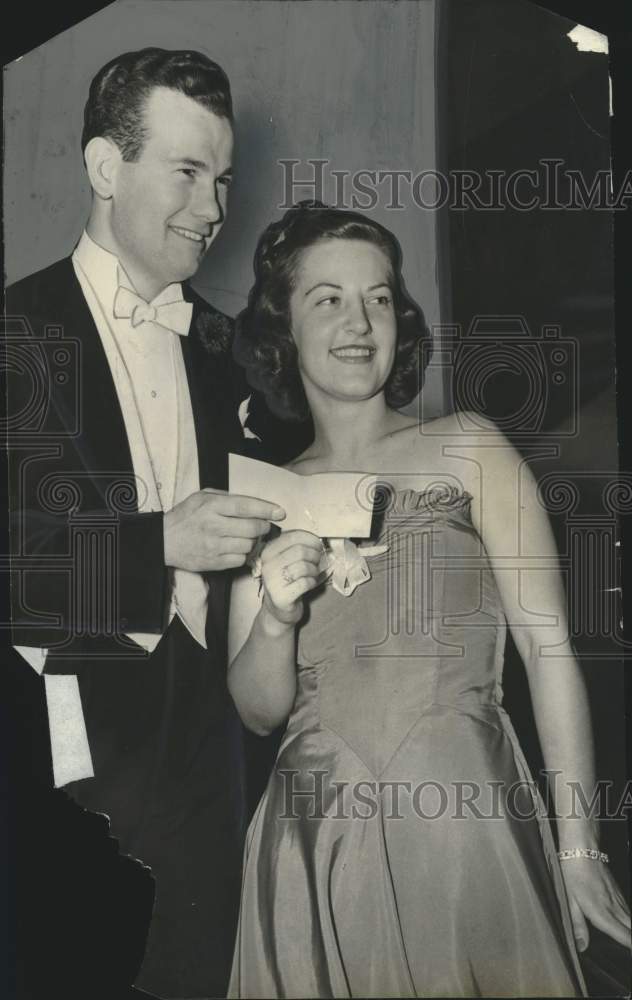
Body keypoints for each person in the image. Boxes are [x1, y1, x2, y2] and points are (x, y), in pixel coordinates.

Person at [226, 202, 631, 998]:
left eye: (379, 297)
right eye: (327, 299)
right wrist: (275, 614)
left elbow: (547, 653)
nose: (359, 320)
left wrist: (581, 849)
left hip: (465, 821)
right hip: (315, 836)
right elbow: (257, 709)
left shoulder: (470, 446)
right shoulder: (264, 496)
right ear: (284, 332)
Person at [5, 48, 307, 1000]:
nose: (214, 209)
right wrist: (159, 545)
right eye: (187, 172)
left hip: (213, 752)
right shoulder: (16, 334)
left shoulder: (223, 351)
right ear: (105, 168)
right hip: (68, 760)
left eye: (221, 180)